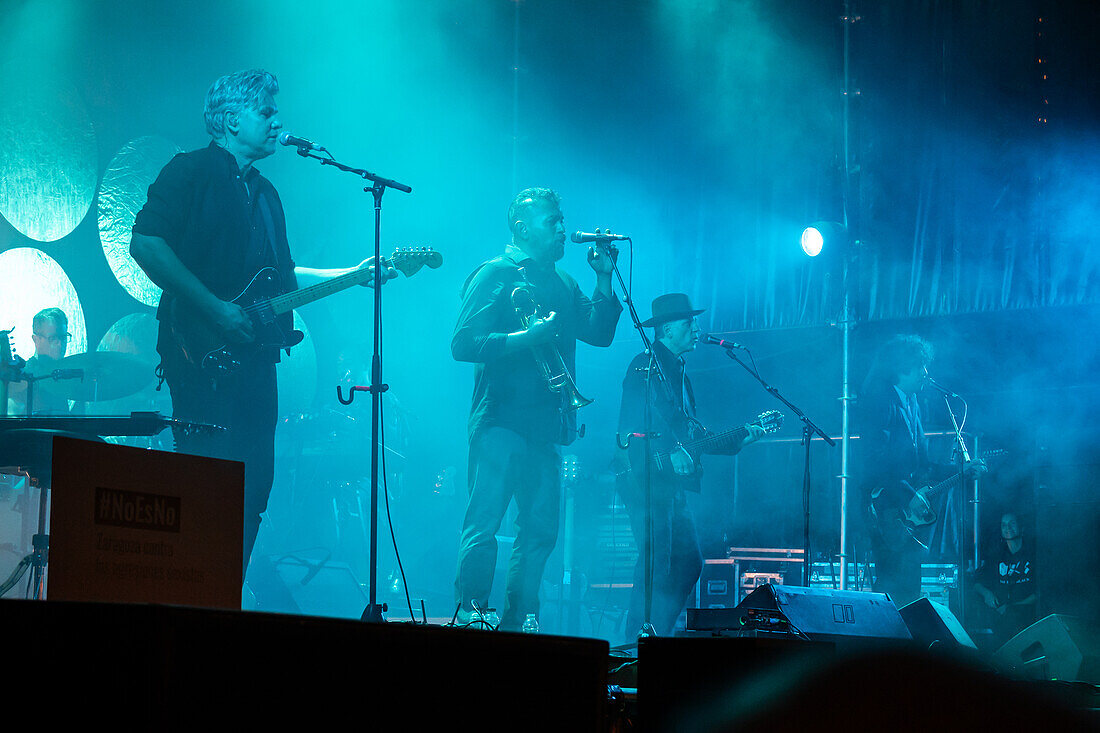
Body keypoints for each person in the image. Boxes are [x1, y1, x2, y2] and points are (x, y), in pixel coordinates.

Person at [130, 69, 392, 580]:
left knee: (256, 483)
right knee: (208, 478)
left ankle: (225, 587)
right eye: (266, 112)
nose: (277, 122)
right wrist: (214, 307)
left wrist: (351, 275)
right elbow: (145, 243)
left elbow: (284, 278)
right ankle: (191, 588)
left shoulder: (268, 194)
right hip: (199, 356)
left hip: (256, 359)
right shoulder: (189, 171)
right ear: (231, 120)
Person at [451, 186, 622, 631]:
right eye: (554, 222)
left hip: (546, 425)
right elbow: (463, 343)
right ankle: (471, 613)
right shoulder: (496, 273)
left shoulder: (565, 282)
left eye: (563, 221)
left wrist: (604, 278)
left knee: (541, 528)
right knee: (485, 521)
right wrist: (526, 338)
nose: (564, 229)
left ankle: (520, 619)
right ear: (523, 229)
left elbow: (600, 333)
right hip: (500, 422)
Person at [616, 293, 766, 636]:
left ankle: (656, 634)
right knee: (655, 565)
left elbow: (690, 435)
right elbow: (629, 429)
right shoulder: (644, 365)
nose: (697, 328)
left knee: (687, 563)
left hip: (671, 485)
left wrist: (737, 440)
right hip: (646, 480)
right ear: (667, 329)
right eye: (689, 323)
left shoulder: (680, 376)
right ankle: (633, 643)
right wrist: (663, 456)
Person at [858, 334, 984, 607]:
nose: (926, 374)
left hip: (907, 515)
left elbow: (922, 463)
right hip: (886, 510)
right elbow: (875, 460)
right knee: (891, 589)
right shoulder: (879, 401)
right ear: (903, 368)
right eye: (921, 367)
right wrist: (907, 496)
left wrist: (961, 468)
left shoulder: (912, 404)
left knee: (909, 590)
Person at [974, 511, 1038, 646]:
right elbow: (976, 581)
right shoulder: (997, 555)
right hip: (1001, 622)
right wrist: (987, 594)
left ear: (1022, 528)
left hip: (1029, 619)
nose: (1007, 527)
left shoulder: (1033, 555)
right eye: (1003, 525)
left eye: (1012, 523)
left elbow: (1040, 593)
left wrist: (1011, 608)